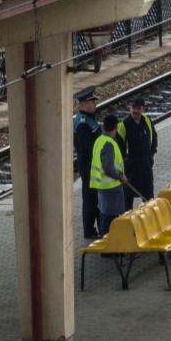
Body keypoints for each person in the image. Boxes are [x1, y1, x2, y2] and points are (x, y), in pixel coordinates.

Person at [90, 112, 131, 227]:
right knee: (112, 220)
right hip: (111, 188)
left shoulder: (99, 140)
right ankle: (108, 237)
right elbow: (108, 168)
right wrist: (120, 176)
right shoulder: (109, 144)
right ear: (116, 128)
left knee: (104, 215)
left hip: (102, 186)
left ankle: (104, 236)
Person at [115, 97, 157, 207]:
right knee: (127, 201)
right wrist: (126, 161)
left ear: (143, 109)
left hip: (146, 167)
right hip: (131, 170)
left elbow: (154, 138)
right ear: (130, 108)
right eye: (133, 108)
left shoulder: (147, 121)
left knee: (149, 199)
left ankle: (149, 217)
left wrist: (151, 156)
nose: (135, 111)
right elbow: (119, 147)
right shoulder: (124, 125)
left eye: (138, 108)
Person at [73, 89, 102, 239]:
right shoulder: (83, 124)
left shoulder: (87, 119)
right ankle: (89, 231)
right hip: (89, 166)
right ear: (83, 104)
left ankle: (94, 228)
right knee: (90, 198)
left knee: (94, 197)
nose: (94, 104)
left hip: (91, 165)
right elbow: (88, 148)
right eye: (92, 102)